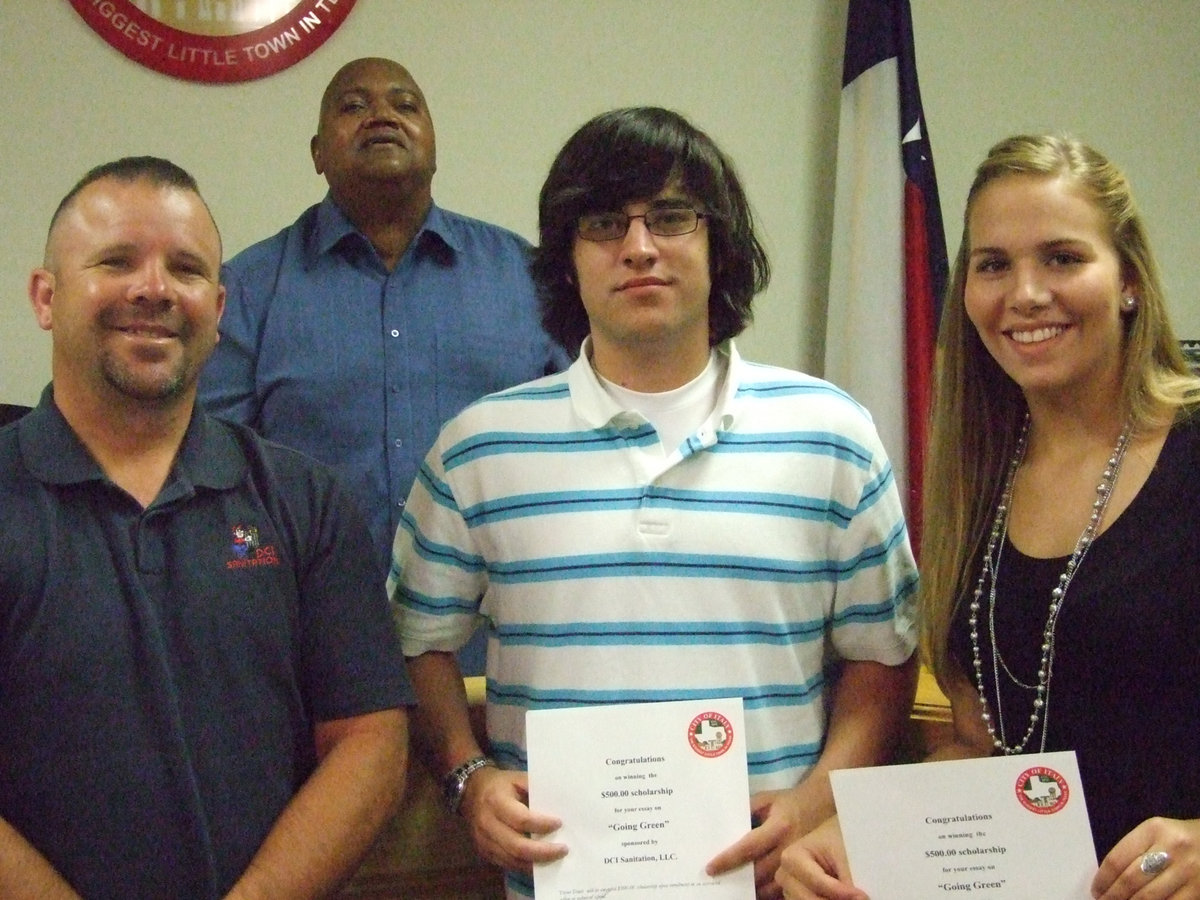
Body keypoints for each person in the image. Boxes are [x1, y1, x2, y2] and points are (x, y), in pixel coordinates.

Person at [390, 106, 920, 900]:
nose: (639, 247)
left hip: (776, 884)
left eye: (672, 218)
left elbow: (885, 660)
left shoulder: (832, 434)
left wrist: (813, 804)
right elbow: (415, 639)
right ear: (567, 259)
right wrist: (469, 775)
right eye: (605, 223)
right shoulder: (478, 448)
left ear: (719, 245)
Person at [776, 134, 1200, 900]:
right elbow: (980, 744)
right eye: (994, 264)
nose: (1026, 294)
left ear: (1130, 279)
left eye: (1063, 258)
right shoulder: (977, 477)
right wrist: (856, 834)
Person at [0, 156, 414, 899]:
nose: (153, 289)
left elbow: (368, 738)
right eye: (116, 261)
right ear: (45, 296)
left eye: (185, 270)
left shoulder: (305, 501)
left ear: (218, 309)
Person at [198, 59, 568, 671]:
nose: (382, 116)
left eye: (405, 103)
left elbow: (585, 443)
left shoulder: (525, 278)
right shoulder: (249, 291)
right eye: (353, 106)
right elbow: (211, 479)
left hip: (502, 655)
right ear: (317, 153)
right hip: (310, 660)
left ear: (433, 144)